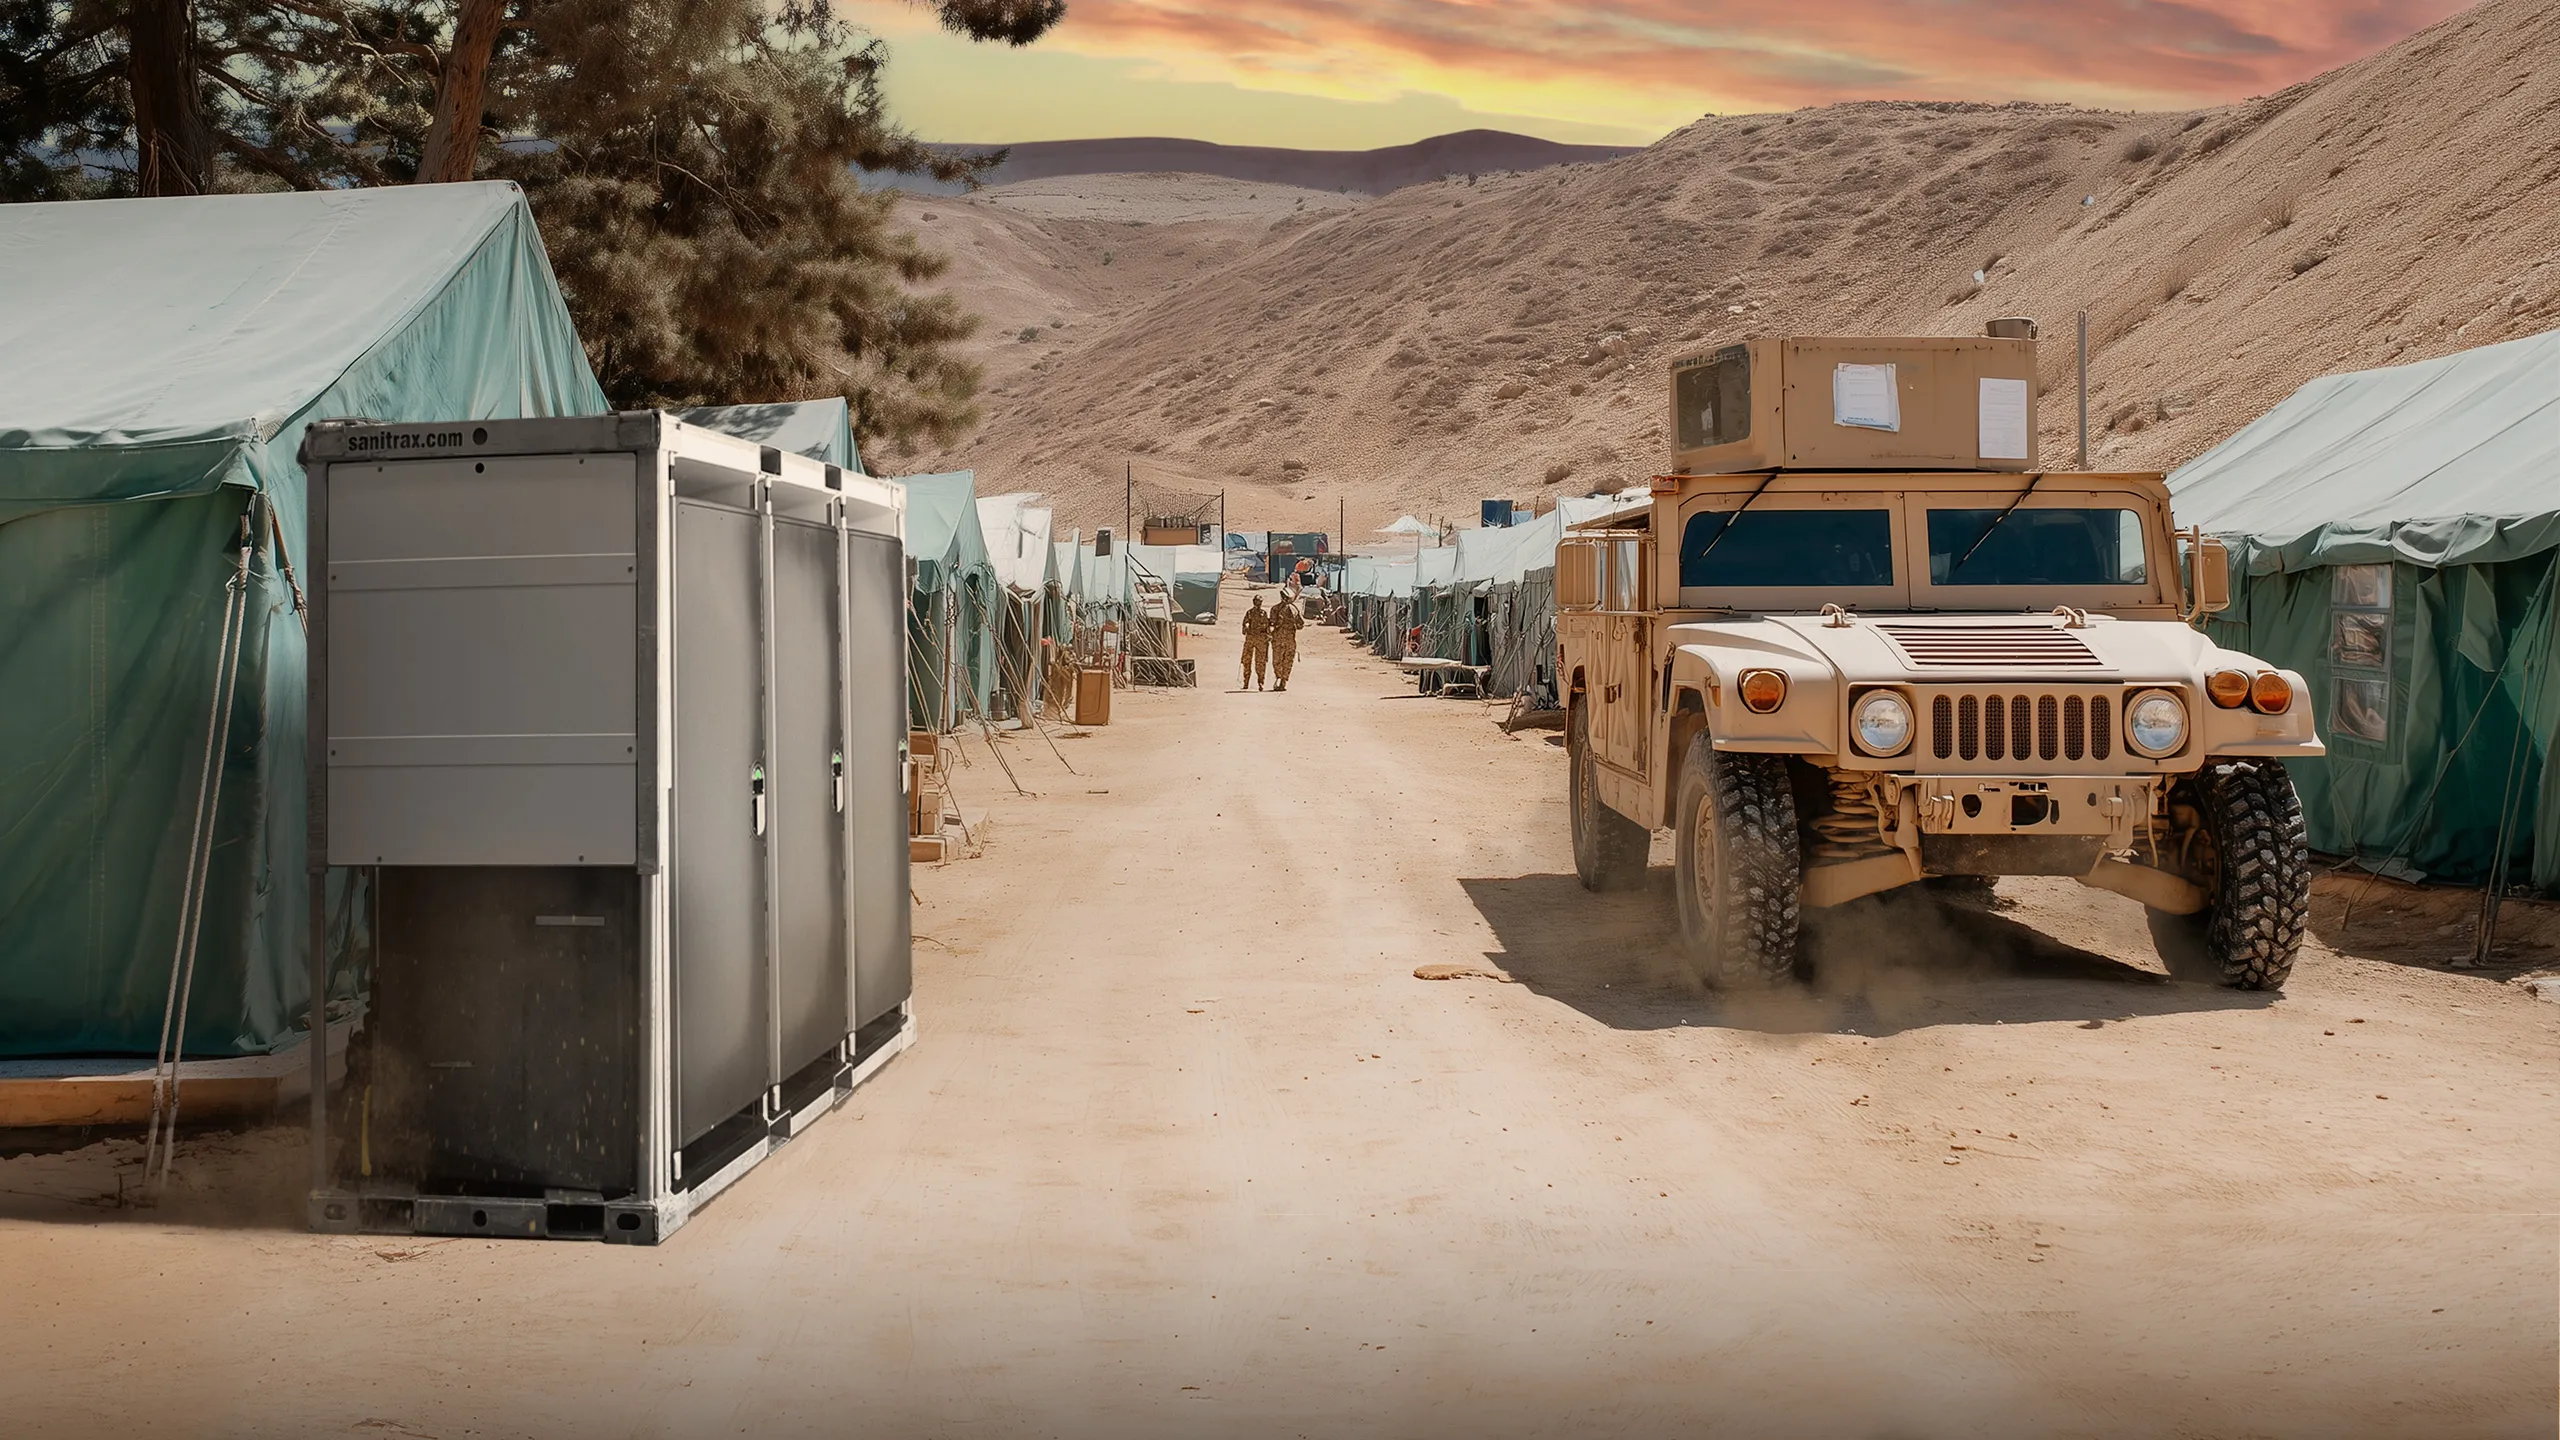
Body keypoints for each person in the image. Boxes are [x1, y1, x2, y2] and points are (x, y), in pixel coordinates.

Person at [1269, 590, 1305, 691]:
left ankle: (1279, 678)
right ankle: (1283, 681)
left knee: (1277, 660)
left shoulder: (1275, 609)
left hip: (1278, 640)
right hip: (1290, 640)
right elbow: (1301, 624)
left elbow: (1272, 623)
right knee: (1288, 661)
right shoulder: (1294, 609)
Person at [1239, 594, 1271, 690]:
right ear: (1254, 602)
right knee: (1246, 661)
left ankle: (1260, 682)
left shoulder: (1264, 613)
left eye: (1260, 602)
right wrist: (1246, 627)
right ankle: (1246, 682)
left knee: (1260, 662)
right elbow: (1245, 624)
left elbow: (1267, 627)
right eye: (1257, 602)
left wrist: (1268, 635)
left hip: (1261, 639)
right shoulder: (1249, 613)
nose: (1258, 604)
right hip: (1250, 638)